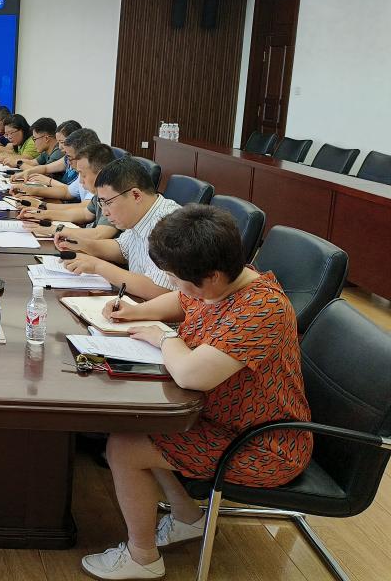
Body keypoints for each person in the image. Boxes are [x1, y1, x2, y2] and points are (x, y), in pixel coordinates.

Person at [79, 204, 312, 579]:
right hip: (220, 420)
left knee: (124, 447)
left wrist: (163, 337)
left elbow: (191, 375)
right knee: (140, 427)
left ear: (212, 276)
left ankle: (142, 558)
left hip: (264, 444)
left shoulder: (262, 308)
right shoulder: (229, 281)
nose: (174, 285)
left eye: (177, 278)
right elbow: (184, 300)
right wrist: (135, 312)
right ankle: (188, 517)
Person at [57, 157, 180, 300]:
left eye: (108, 203)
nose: (105, 212)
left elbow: (160, 290)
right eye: (101, 204)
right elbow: (122, 249)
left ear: (136, 195)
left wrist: (97, 266)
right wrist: (83, 244)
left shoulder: (169, 223)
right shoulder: (140, 214)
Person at [21, 143, 120, 236]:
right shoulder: (98, 194)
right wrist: (43, 213)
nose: (80, 181)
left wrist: (54, 229)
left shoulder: (114, 196)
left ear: (101, 174)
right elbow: (84, 214)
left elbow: (99, 234)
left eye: (83, 175)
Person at [12, 128, 100, 202]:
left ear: (83, 156)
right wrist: (30, 190)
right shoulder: (82, 171)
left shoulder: (96, 175)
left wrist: (42, 206)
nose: (60, 147)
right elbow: (67, 192)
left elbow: (85, 211)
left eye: (61, 142)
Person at [11, 119, 80, 182]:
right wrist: (25, 170)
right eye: (58, 142)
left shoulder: (59, 153)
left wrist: (19, 164)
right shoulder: (66, 158)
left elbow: (67, 190)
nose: (60, 147)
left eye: (62, 142)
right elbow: (44, 168)